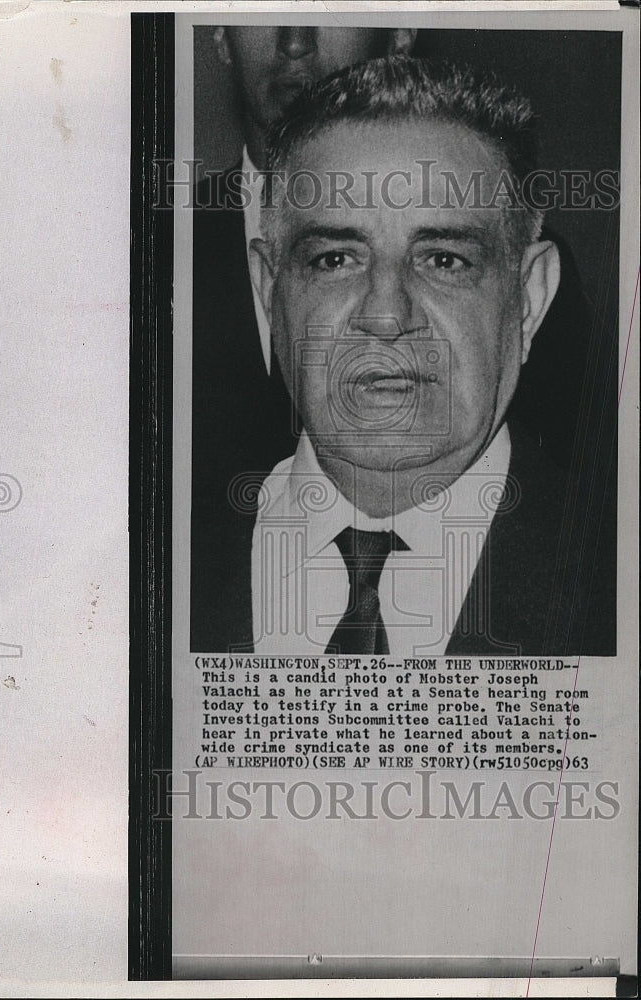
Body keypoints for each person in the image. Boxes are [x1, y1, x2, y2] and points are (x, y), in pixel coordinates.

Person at [233, 56, 614, 656]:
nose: (386, 315)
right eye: (335, 258)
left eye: (444, 260)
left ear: (530, 298)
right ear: (267, 289)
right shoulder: (145, 561)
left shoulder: (617, 580)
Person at [190, 27, 416, 650]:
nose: (295, 39)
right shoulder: (140, 255)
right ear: (219, 34)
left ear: (400, 31)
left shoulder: (498, 279)